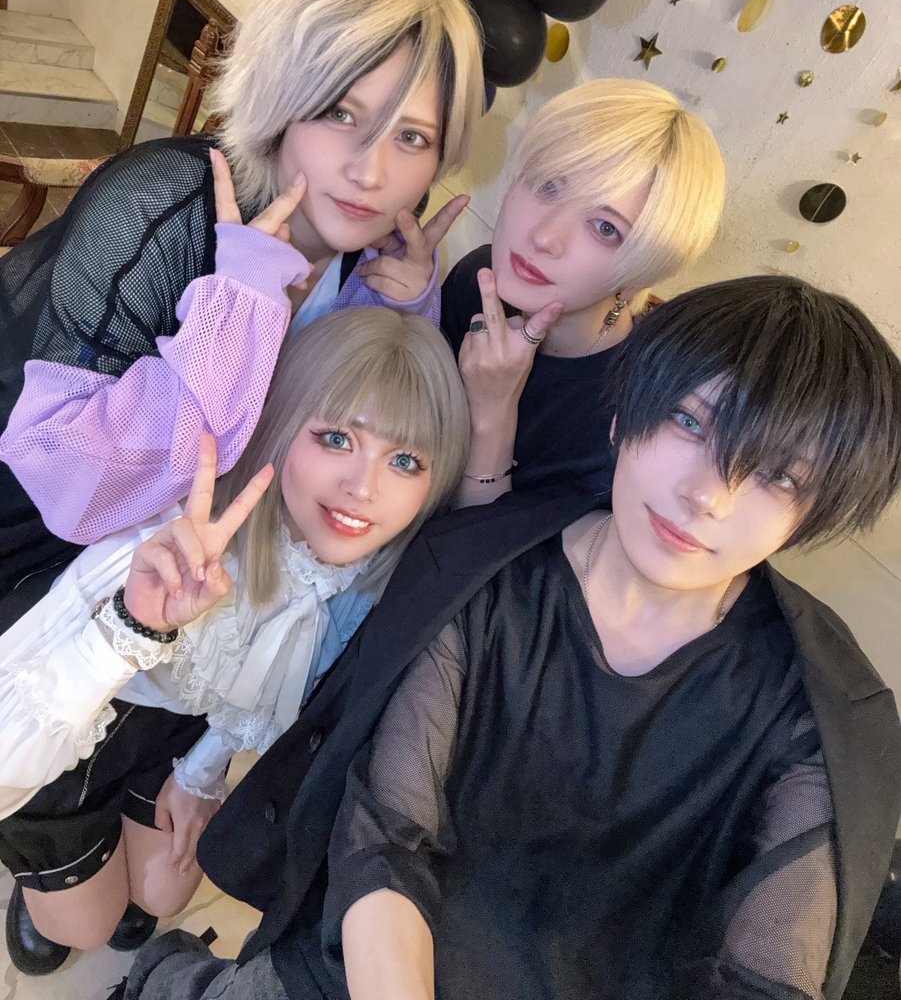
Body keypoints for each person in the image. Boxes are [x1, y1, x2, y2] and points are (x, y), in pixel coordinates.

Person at [125, 274, 900, 1000]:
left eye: (779, 477)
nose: (707, 496)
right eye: (690, 423)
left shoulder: (821, 708)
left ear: (812, 514)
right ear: (623, 413)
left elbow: (770, 970)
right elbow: (385, 838)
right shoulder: (481, 572)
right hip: (353, 968)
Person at [0, 0, 484, 599]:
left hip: (194, 570)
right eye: (340, 113)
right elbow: (68, 484)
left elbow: (345, 440)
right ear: (282, 104)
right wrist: (235, 311)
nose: (371, 173)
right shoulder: (159, 204)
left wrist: (397, 314)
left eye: (411, 137)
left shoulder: (383, 246)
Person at [0, 306, 470, 977]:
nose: (362, 489)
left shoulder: (365, 577)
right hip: (70, 707)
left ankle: (96, 867)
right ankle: (49, 879)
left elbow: (258, 686)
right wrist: (132, 626)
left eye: (404, 460)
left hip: (170, 725)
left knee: (162, 892)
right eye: (337, 438)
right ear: (285, 422)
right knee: (87, 922)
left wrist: (200, 771)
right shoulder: (178, 536)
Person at [440, 78, 725, 506]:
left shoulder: (628, 416)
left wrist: (493, 416)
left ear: (644, 268)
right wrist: (406, 309)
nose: (545, 237)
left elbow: (484, 546)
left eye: (606, 227)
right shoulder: (478, 280)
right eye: (549, 186)